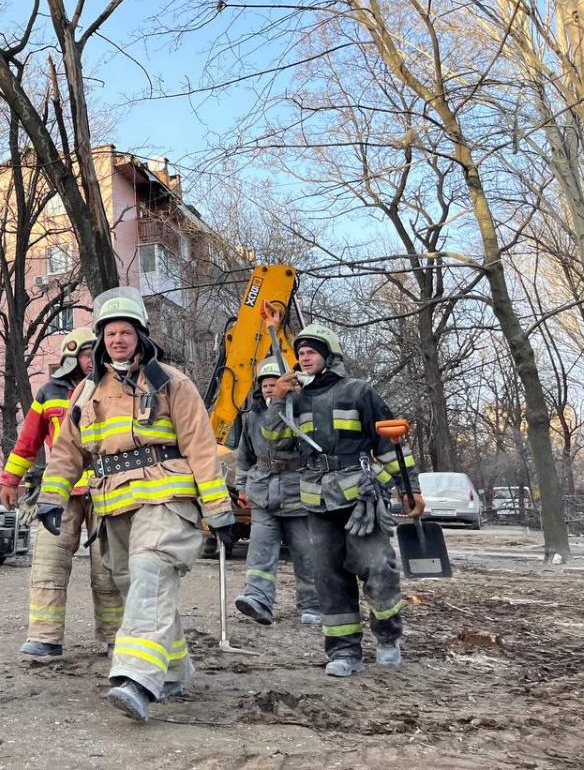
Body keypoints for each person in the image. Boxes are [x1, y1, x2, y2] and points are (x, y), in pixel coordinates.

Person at [37, 287, 235, 721]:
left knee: (150, 574)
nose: (118, 340)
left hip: (167, 499)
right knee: (140, 589)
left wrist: (219, 509)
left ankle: (136, 679)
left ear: (141, 336)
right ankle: (175, 672)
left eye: (126, 332)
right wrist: (51, 497)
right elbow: (68, 453)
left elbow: (202, 448)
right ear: (100, 339)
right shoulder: (86, 394)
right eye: (110, 333)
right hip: (114, 508)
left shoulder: (172, 383)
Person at [263, 317, 425, 677]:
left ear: (328, 356)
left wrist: (409, 486)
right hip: (316, 501)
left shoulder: (358, 392)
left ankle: (387, 637)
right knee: (329, 578)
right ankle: (345, 652)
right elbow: (275, 444)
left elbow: (389, 443)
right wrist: (278, 402)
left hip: (360, 498)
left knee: (378, 568)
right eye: (300, 353)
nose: (304, 359)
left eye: (311, 353)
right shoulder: (294, 399)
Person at [0, 327, 123, 659]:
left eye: (92, 353)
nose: (89, 360)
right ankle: (45, 637)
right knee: (48, 564)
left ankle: (116, 637)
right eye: (84, 354)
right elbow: (27, 442)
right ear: (72, 358)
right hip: (60, 491)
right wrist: (10, 480)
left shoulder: (115, 387)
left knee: (108, 566)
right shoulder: (49, 393)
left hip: (105, 488)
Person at [233, 357, 321, 627]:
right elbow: (244, 455)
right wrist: (241, 486)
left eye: (274, 383)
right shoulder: (251, 417)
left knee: (307, 552)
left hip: (297, 493)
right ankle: (257, 599)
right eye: (265, 384)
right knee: (260, 551)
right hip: (263, 492)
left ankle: (313, 604)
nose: (270, 389)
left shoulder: (304, 412)